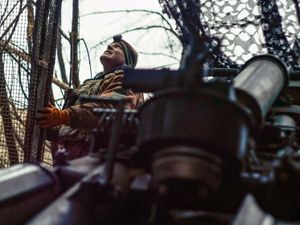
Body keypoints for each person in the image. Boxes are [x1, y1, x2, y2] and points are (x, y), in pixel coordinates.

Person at [36, 35, 144, 159]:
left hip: (101, 160)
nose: (109, 46)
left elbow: (110, 108)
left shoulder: (127, 80)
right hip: (70, 161)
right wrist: (46, 122)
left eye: (117, 47)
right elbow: (70, 127)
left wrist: (64, 115)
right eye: (110, 45)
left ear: (127, 61)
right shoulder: (91, 84)